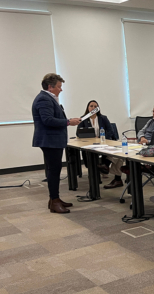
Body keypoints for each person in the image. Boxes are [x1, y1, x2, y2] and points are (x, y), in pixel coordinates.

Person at [32, 73, 81, 214]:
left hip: (52, 140)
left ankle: (55, 199)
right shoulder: (44, 99)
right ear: (50, 87)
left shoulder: (49, 98)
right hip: (50, 140)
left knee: (55, 170)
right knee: (54, 171)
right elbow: (48, 120)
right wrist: (68, 122)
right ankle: (54, 201)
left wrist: (69, 120)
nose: (61, 89)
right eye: (59, 87)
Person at [105, 104, 154, 189]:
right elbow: (140, 131)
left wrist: (147, 141)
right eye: (153, 111)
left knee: (123, 153)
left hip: (150, 147)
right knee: (119, 146)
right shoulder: (150, 121)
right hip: (140, 143)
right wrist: (142, 138)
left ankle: (109, 168)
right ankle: (111, 170)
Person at [77, 100, 116, 177]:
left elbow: (110, 131)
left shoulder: (103, 118)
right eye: (91, 106)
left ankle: (104, 168)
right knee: (86, 152)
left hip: (102, 141)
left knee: (107, 151)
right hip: (89, 143)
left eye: (95, 106)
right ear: (88, 108)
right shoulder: (83, 118)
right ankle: (93, 170)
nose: (93, 108)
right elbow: (78, 133)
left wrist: (103, 137)